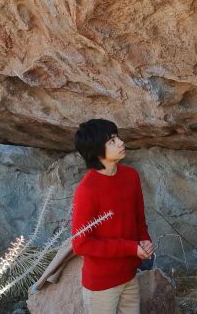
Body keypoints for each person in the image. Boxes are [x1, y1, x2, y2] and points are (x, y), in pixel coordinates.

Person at [71, 119, 153, 314]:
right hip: (101, 283)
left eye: (117, 137)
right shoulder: (87, 190)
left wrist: (145, 241)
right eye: (112, 141)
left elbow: (138, 218)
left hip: (129, 274)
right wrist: (130, 247)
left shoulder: (131, 176)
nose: (121, 143)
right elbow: (80, 244)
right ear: (97, 151)